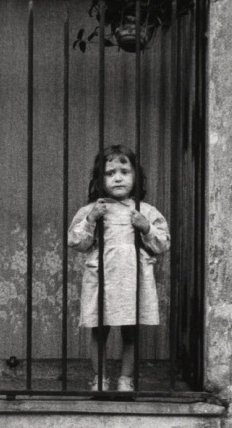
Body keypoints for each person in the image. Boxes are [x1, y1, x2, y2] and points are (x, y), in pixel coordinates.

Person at [68, 145, 170, 392]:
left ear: (135, 176)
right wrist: (91, 219)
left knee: (130, 330)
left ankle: (126, 379)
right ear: (99, 179)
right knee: (99, 330)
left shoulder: (146, 211)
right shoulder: (92, 210)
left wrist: (146, 227)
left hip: (132, 278)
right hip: (102, 277)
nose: (117, 178)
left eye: (124, 172)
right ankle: (100, 378)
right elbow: (76, 241)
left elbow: (162, 244)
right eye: (110, 173)